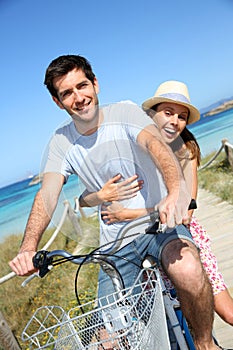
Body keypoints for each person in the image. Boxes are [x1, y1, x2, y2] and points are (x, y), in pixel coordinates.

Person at [9, 55, 220, 350]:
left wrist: (174, 192)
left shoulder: (126, 112)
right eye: (67, 93)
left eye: (82, 86)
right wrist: (28, 248)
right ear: (58, 102)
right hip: (115, 246)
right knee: (106, 336)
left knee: (187, 268)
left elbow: (158, 148)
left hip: (159, 227)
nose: (78, 97)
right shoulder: (60, 142)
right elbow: (47, 195)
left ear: (95, 84)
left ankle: (205, 346)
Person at [86, 81, 233, 331]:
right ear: (152, 114)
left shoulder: (186, 150)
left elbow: (186, 212)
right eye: (168, 112)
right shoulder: (135, 146)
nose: (174, 120)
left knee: (226, 311)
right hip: (143, 247)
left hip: (179, 242)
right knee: (160, 327)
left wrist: (127, 213)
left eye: (182, 116)